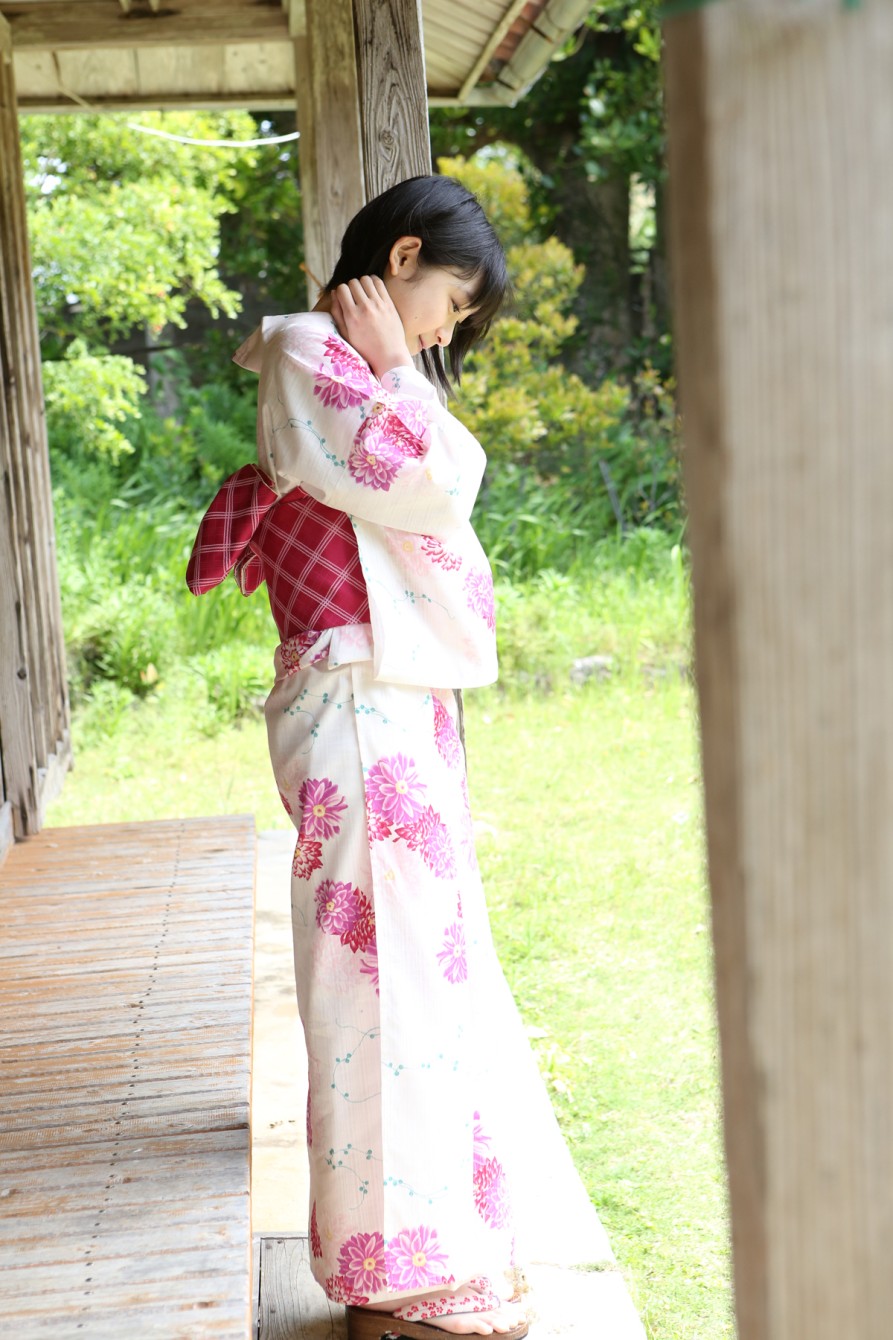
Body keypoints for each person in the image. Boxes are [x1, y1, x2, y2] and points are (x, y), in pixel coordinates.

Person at [187, 176, 591, 1339]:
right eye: (450, 303)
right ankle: (399, 1272)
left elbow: (434, 481)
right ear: (402, 255)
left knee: (422, 972)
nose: (442, 333)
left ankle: (437, 1245)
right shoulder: (312, 353)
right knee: (378, 978)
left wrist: (396, 373)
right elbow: (435, 483)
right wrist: (396, 375)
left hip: (390, 703)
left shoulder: (351, 363)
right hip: (358, 701)